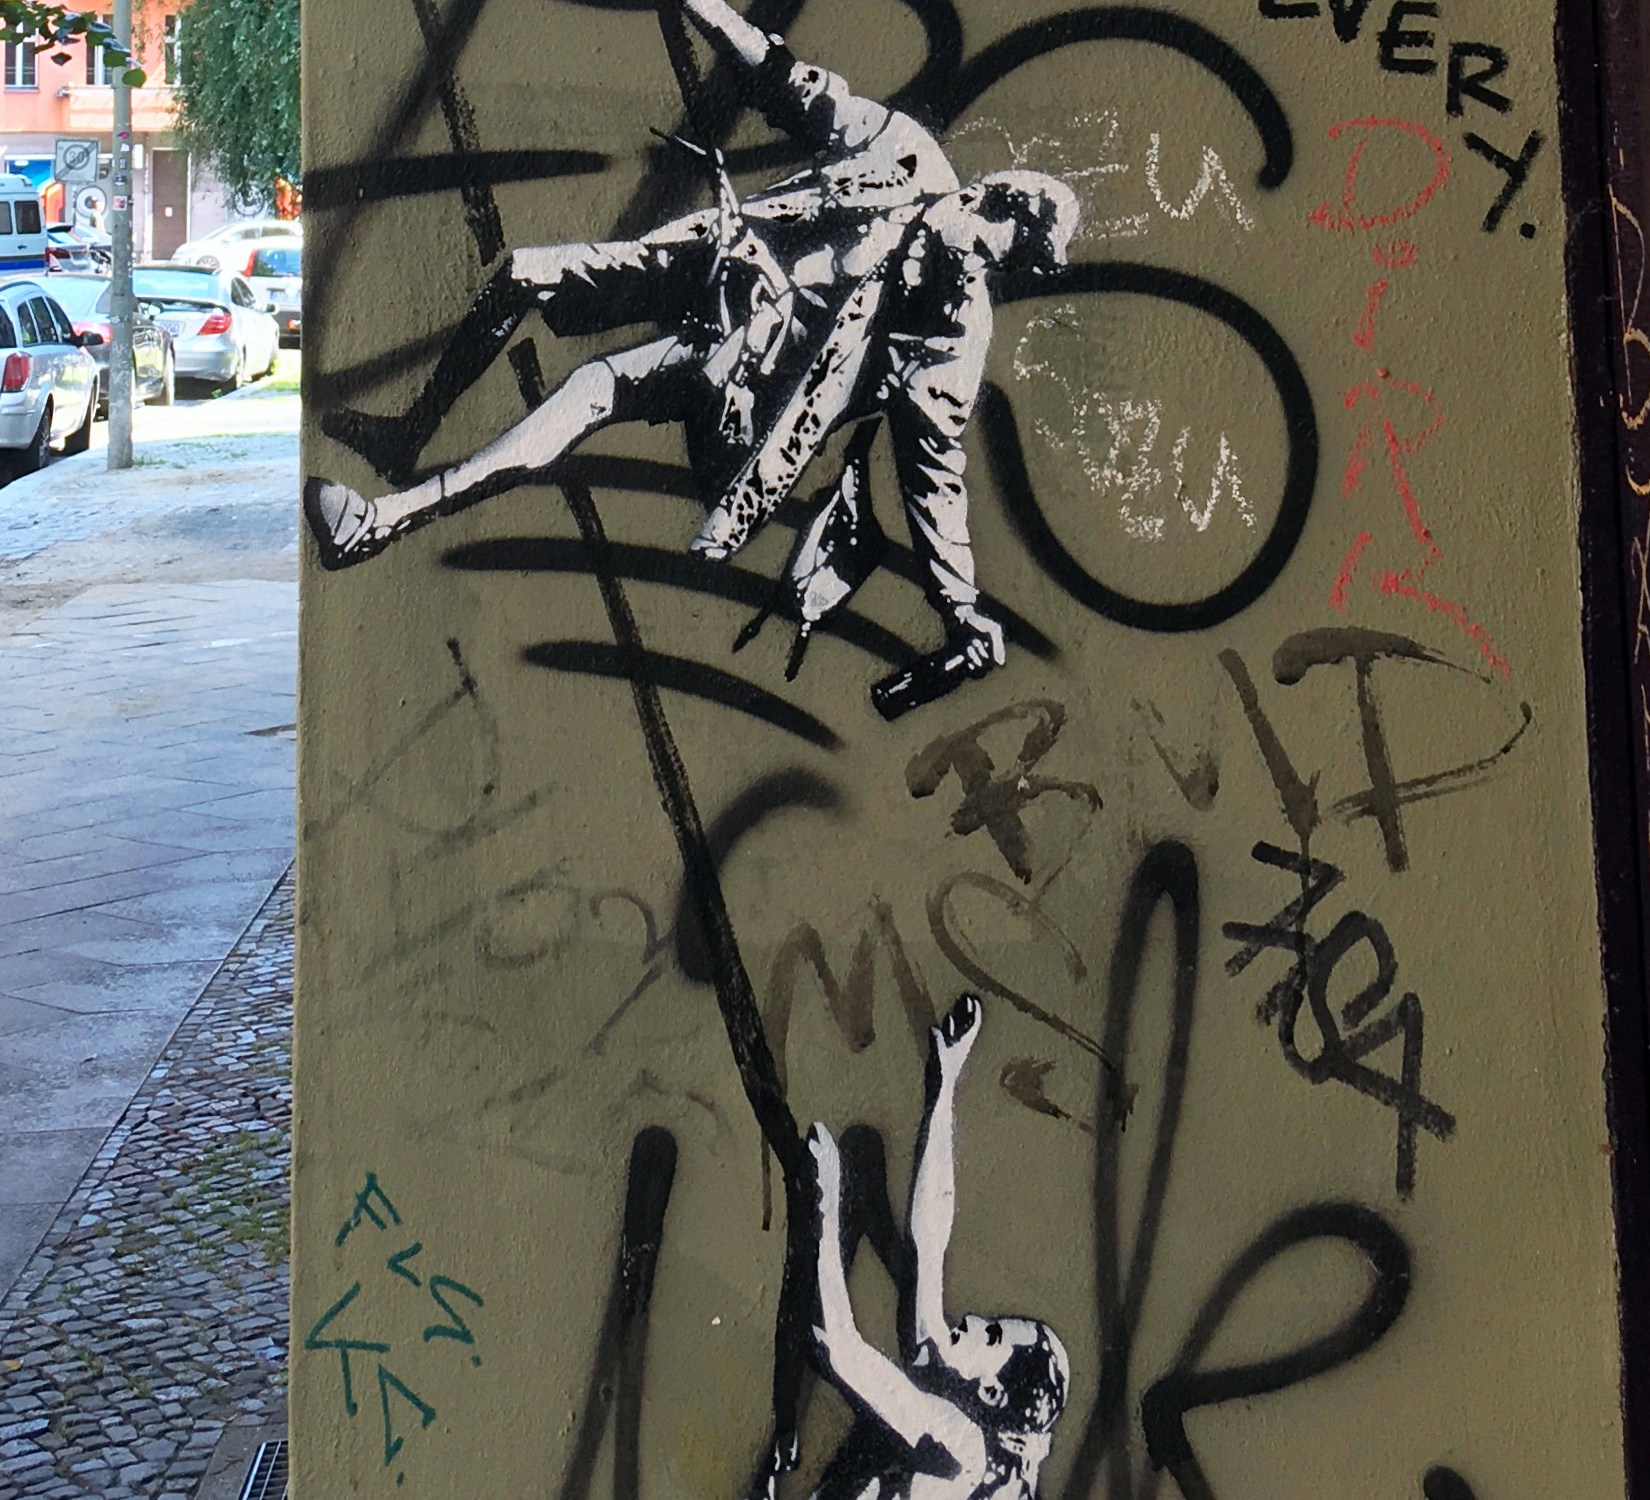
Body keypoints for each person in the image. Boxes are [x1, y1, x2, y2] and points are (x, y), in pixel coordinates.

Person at [307, 0, 1078, 713]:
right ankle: (408, 436)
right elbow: (780, 77)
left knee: (595, 387)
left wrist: (960, 607)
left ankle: (384, 519)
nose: (963, 263)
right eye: (974, 236)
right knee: (525, 277)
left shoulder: (949, 339)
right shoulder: (903, 155)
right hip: (712, 273)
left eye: (986, 264)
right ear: (977, 195)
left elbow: (934, 475)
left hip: (748, 406)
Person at [804, 994, 1070, 1500]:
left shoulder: (966, 1447)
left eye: (992, 1336)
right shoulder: (1006, 1454)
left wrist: (824, 1199)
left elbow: (838, 1346)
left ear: (991, 1391)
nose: (976, 1321)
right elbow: (929, 1248)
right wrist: (944, 1084)